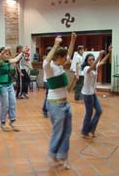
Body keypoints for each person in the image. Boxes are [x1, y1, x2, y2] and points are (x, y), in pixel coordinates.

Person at [43, 32, 76, 169]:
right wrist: (56, 44)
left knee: (67, 132)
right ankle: (53, 154)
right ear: (59, 58)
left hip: (65, 104)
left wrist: (73, 40)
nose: (67, 60)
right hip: (55, 105)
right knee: (58, 132)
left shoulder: (60, 66)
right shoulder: (50, 69)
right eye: (64, 58)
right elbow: (46, 61)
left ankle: (62, 157)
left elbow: (68, 53)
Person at [81, 44, 112, 138]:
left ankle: (91, 129)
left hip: (93, 93)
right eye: (89, 59)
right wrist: (99, 56)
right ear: (86, 61)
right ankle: (85, 131)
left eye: (92, 59)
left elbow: (102, 62)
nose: (91, 61)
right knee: (89, 113)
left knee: (99, 110)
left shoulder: (95, 67)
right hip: (87, 94)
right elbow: (91, 67)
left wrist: (109, 53)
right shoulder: (86, 68)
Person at [0, 46, 25, 132]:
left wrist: (22, 52)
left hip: (9, 85)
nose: (8, 54)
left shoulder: (7, 61)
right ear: (1, 54)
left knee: (13, 103)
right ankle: (3, 123)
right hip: (2, 87)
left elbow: (15, 59)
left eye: (8, 53)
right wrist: (3, 50)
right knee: (5, 105)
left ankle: (12, 122)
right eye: (6, 53)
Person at [42, 46, 52, 118]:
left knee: (49, 95)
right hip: (47, 81)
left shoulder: (52, 60)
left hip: (50, 80)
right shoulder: (46, 61)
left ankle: (46, 109)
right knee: (49, 96)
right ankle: (45, 110)